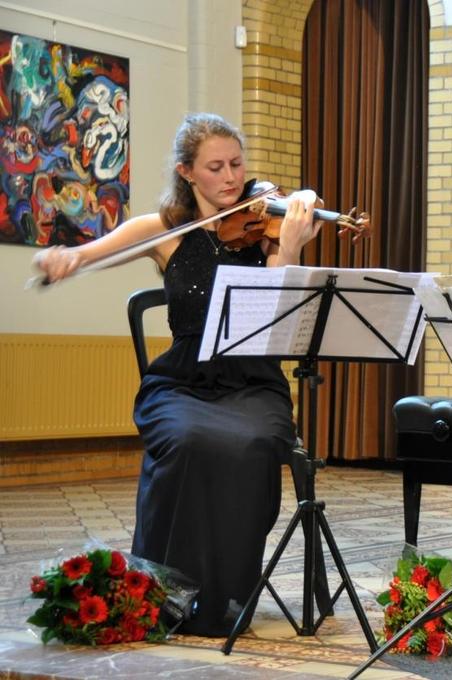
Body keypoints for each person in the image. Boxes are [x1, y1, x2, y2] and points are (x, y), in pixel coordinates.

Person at [32, 112, 330, 637]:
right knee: (188, 438)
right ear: (188, 173)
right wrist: (65, 260)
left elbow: (270, 320)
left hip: (252, 380)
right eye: (215, 167)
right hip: (183, 381)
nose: (232, 177)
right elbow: (89, 252)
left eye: (237, 164)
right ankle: (163, 591)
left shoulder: (264, 229)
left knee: (255, 441)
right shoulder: (165, 230)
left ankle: (227, 594)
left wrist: (291, 245)